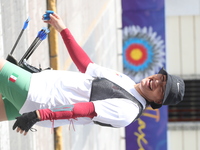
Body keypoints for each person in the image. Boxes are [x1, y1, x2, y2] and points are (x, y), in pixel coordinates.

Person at [0, 12, 185, 136]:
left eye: (162, 89)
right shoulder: (128, 82)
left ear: (158, 102)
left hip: (39, 95)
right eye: (162, 78)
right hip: (38, 89)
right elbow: (86, 65)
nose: (157, 82)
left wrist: (38, 115)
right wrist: (63, 29)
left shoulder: (129, 111)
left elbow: (83, 109)